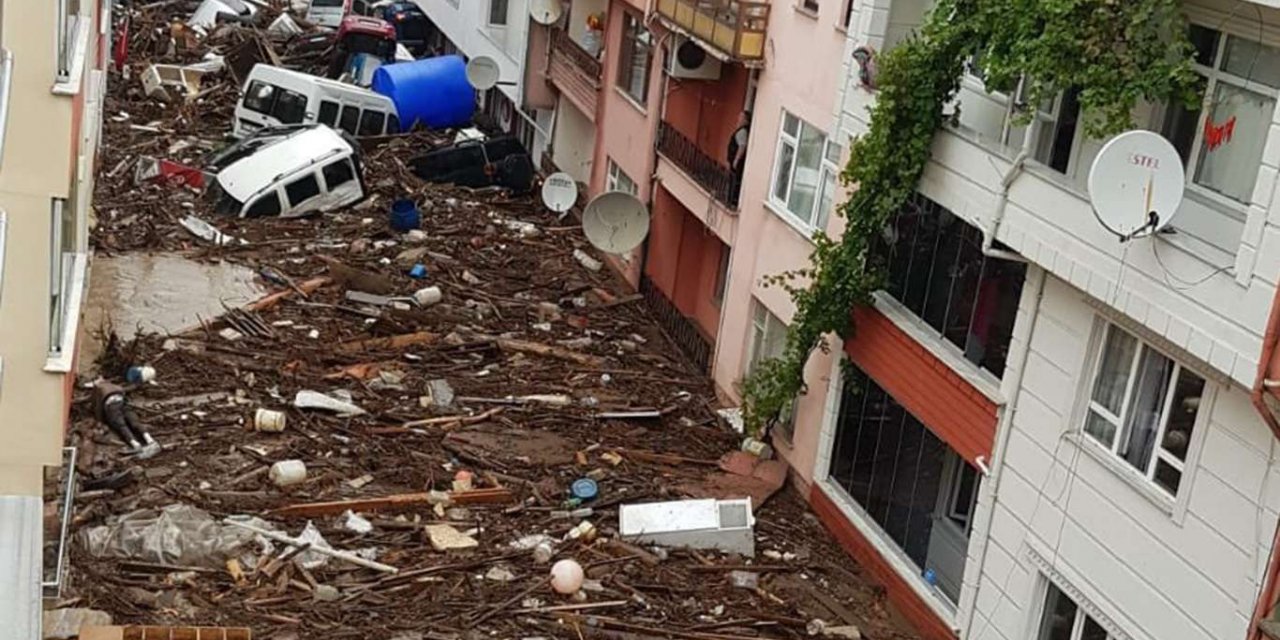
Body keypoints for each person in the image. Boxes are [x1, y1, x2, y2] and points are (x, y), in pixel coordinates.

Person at [93, 381, 161, 459]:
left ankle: (135, 445)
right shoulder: (114, 385)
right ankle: (150, 439)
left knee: (121, 425)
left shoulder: (98, 388)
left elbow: (98, 406)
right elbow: (123, 391)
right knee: (135, 422)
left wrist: (99, 420)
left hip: (111, 405)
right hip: (122, 401)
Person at [727, 111, 751, 197]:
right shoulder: (741, 130)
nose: (738, 119)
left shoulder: (743, 131)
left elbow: (742, 146)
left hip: (737, 164)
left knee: (734, 182)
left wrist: (736, 160)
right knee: (733, 181)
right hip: (735, 163)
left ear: (745, 120)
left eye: (741, 117)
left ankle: (732, 199)